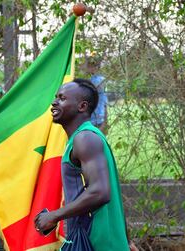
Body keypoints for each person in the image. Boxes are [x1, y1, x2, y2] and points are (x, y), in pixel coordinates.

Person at [34, 79, 130, 250]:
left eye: (62, 98)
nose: (54, 102)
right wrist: (127, 239)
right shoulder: (83, 138)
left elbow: (101, 192)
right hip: (95, 239)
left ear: (82, 107)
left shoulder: (85, 138)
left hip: (95, 241)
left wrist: (55, 216)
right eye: (56, 97)